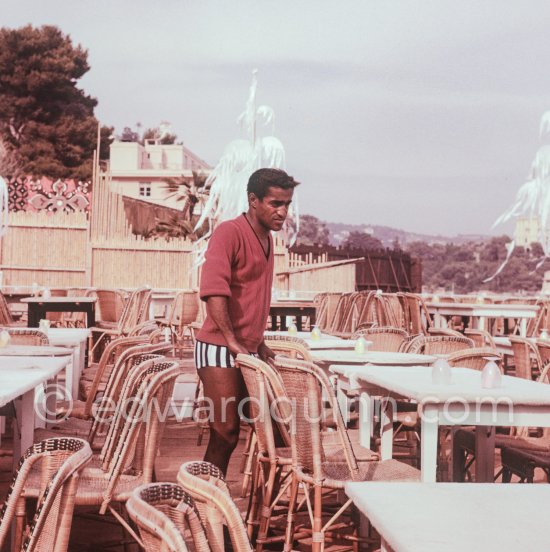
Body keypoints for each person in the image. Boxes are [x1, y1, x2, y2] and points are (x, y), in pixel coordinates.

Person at [195, 168, 299, 474]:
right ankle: (207, 505)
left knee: (275, 430)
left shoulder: (267, 240)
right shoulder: (229, 232)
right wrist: (232, 342)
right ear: (253, 200)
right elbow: (215, 291)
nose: (283, 212)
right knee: (225, 433)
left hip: (247, 349)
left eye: (287, 204)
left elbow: (251, 298)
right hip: (217, 347)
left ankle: (260, 510)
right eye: (275, 203)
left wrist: (259, 341)